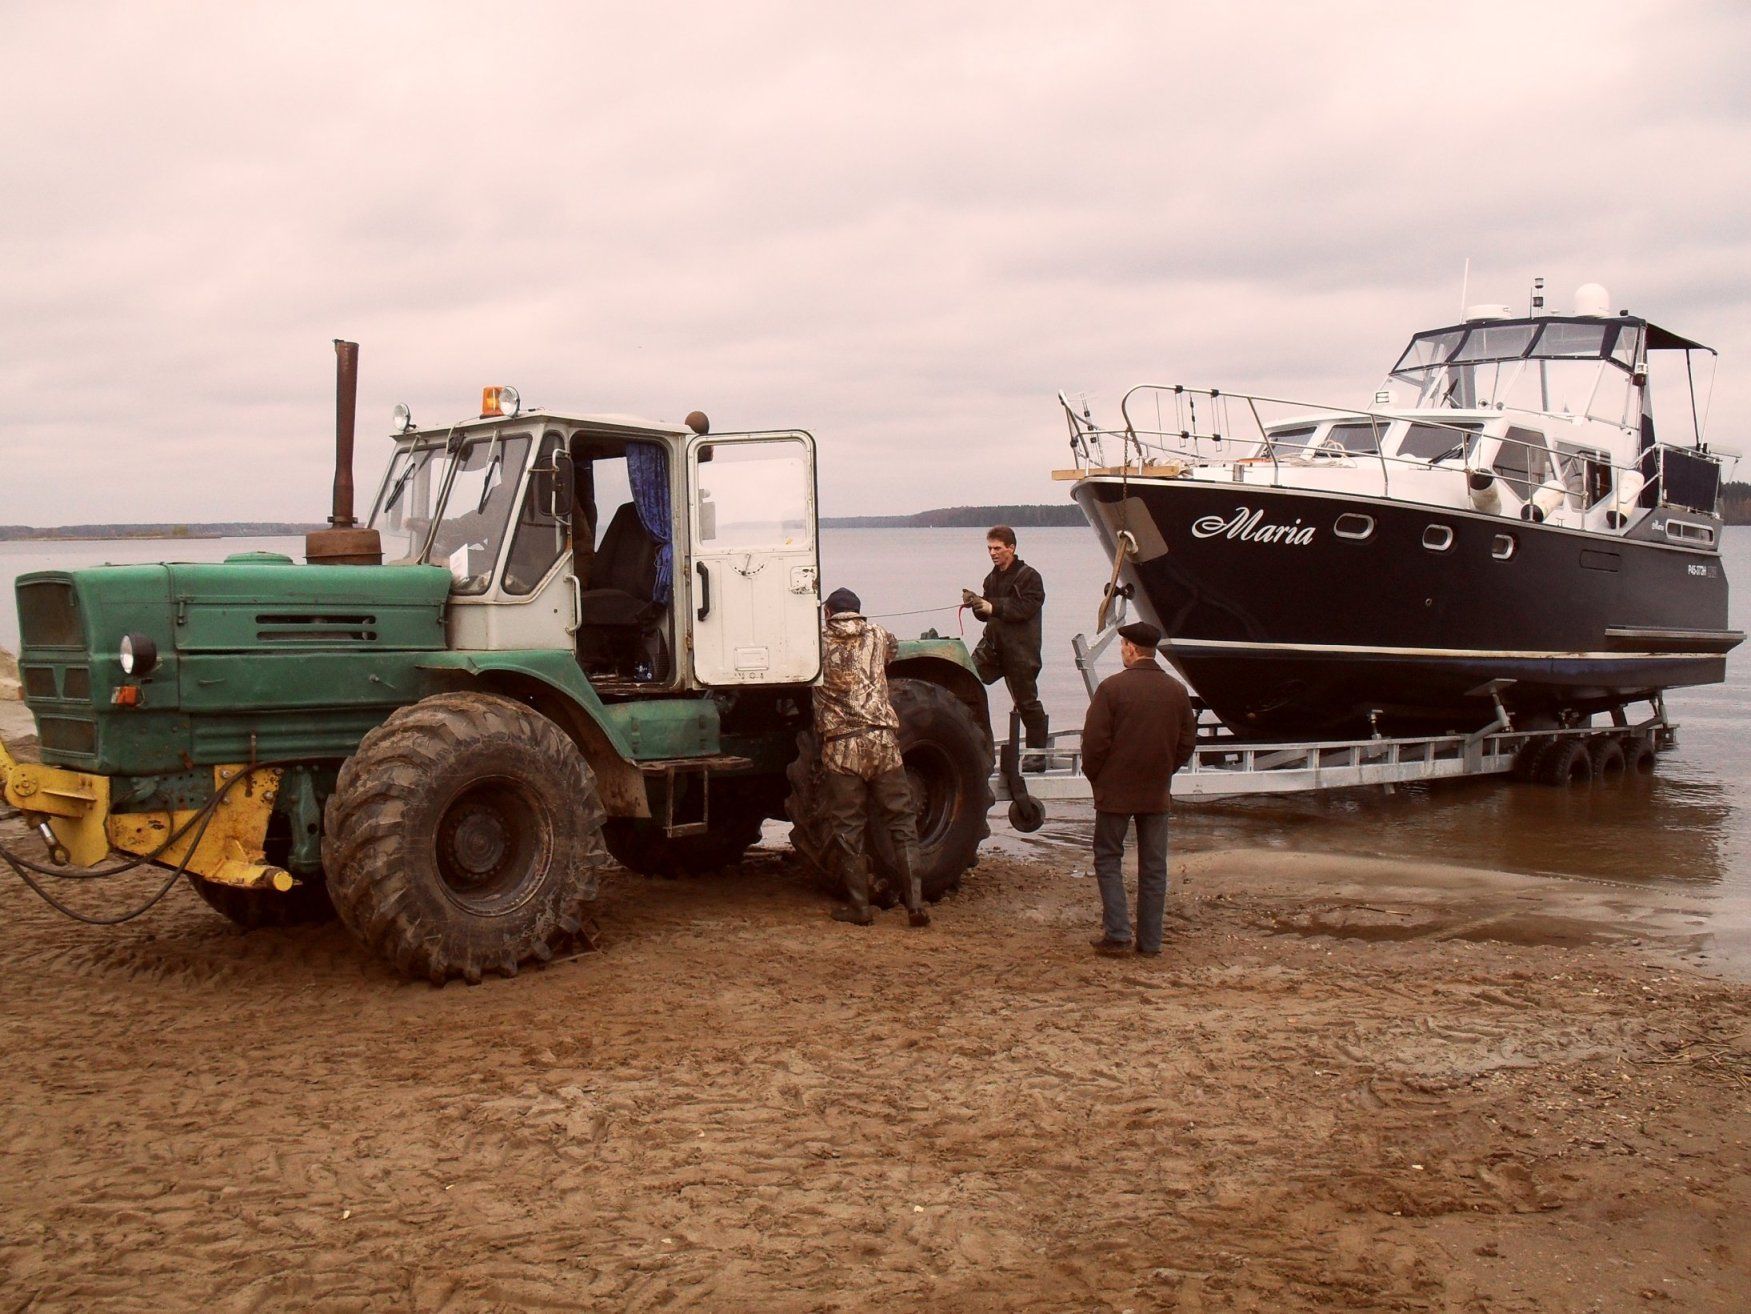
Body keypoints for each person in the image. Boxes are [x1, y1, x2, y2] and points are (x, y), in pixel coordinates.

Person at [1080, 620, 1198, 956]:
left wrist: (1097, 778)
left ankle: (1117, 933)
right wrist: (1165, 770)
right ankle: (1150, 942)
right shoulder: (1176, 691)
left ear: (1131, 648)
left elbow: (1094, 745)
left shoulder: (1112, 689)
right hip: (1156, 791)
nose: (1122, 651)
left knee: (1107, 858)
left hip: (1115, 793)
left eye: (1122, 646)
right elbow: (1186, 743)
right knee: (1153, 867)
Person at [813, 587, 929, 928]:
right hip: (882, 743)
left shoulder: (816, 641)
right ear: (858, 612)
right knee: (902, 823)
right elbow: (892, 653)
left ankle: (860, 907)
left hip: (841, 747)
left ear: (828, 612)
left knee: (849, 828)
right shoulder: (878, 634)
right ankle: (916, 905)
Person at [964, 525, 1048, 768]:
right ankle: (973, 742)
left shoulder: (1030, 576)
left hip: (1021, 650)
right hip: (991, 647)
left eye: (997, 548)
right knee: (967, 680)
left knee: (1026, 703)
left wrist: (993, 607)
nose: (992, 553)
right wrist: (977, 605)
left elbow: (1026, 608)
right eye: (989, 548)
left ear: (1011, 548)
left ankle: (1037, 755)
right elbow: (987, 615)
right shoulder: (991, 578)